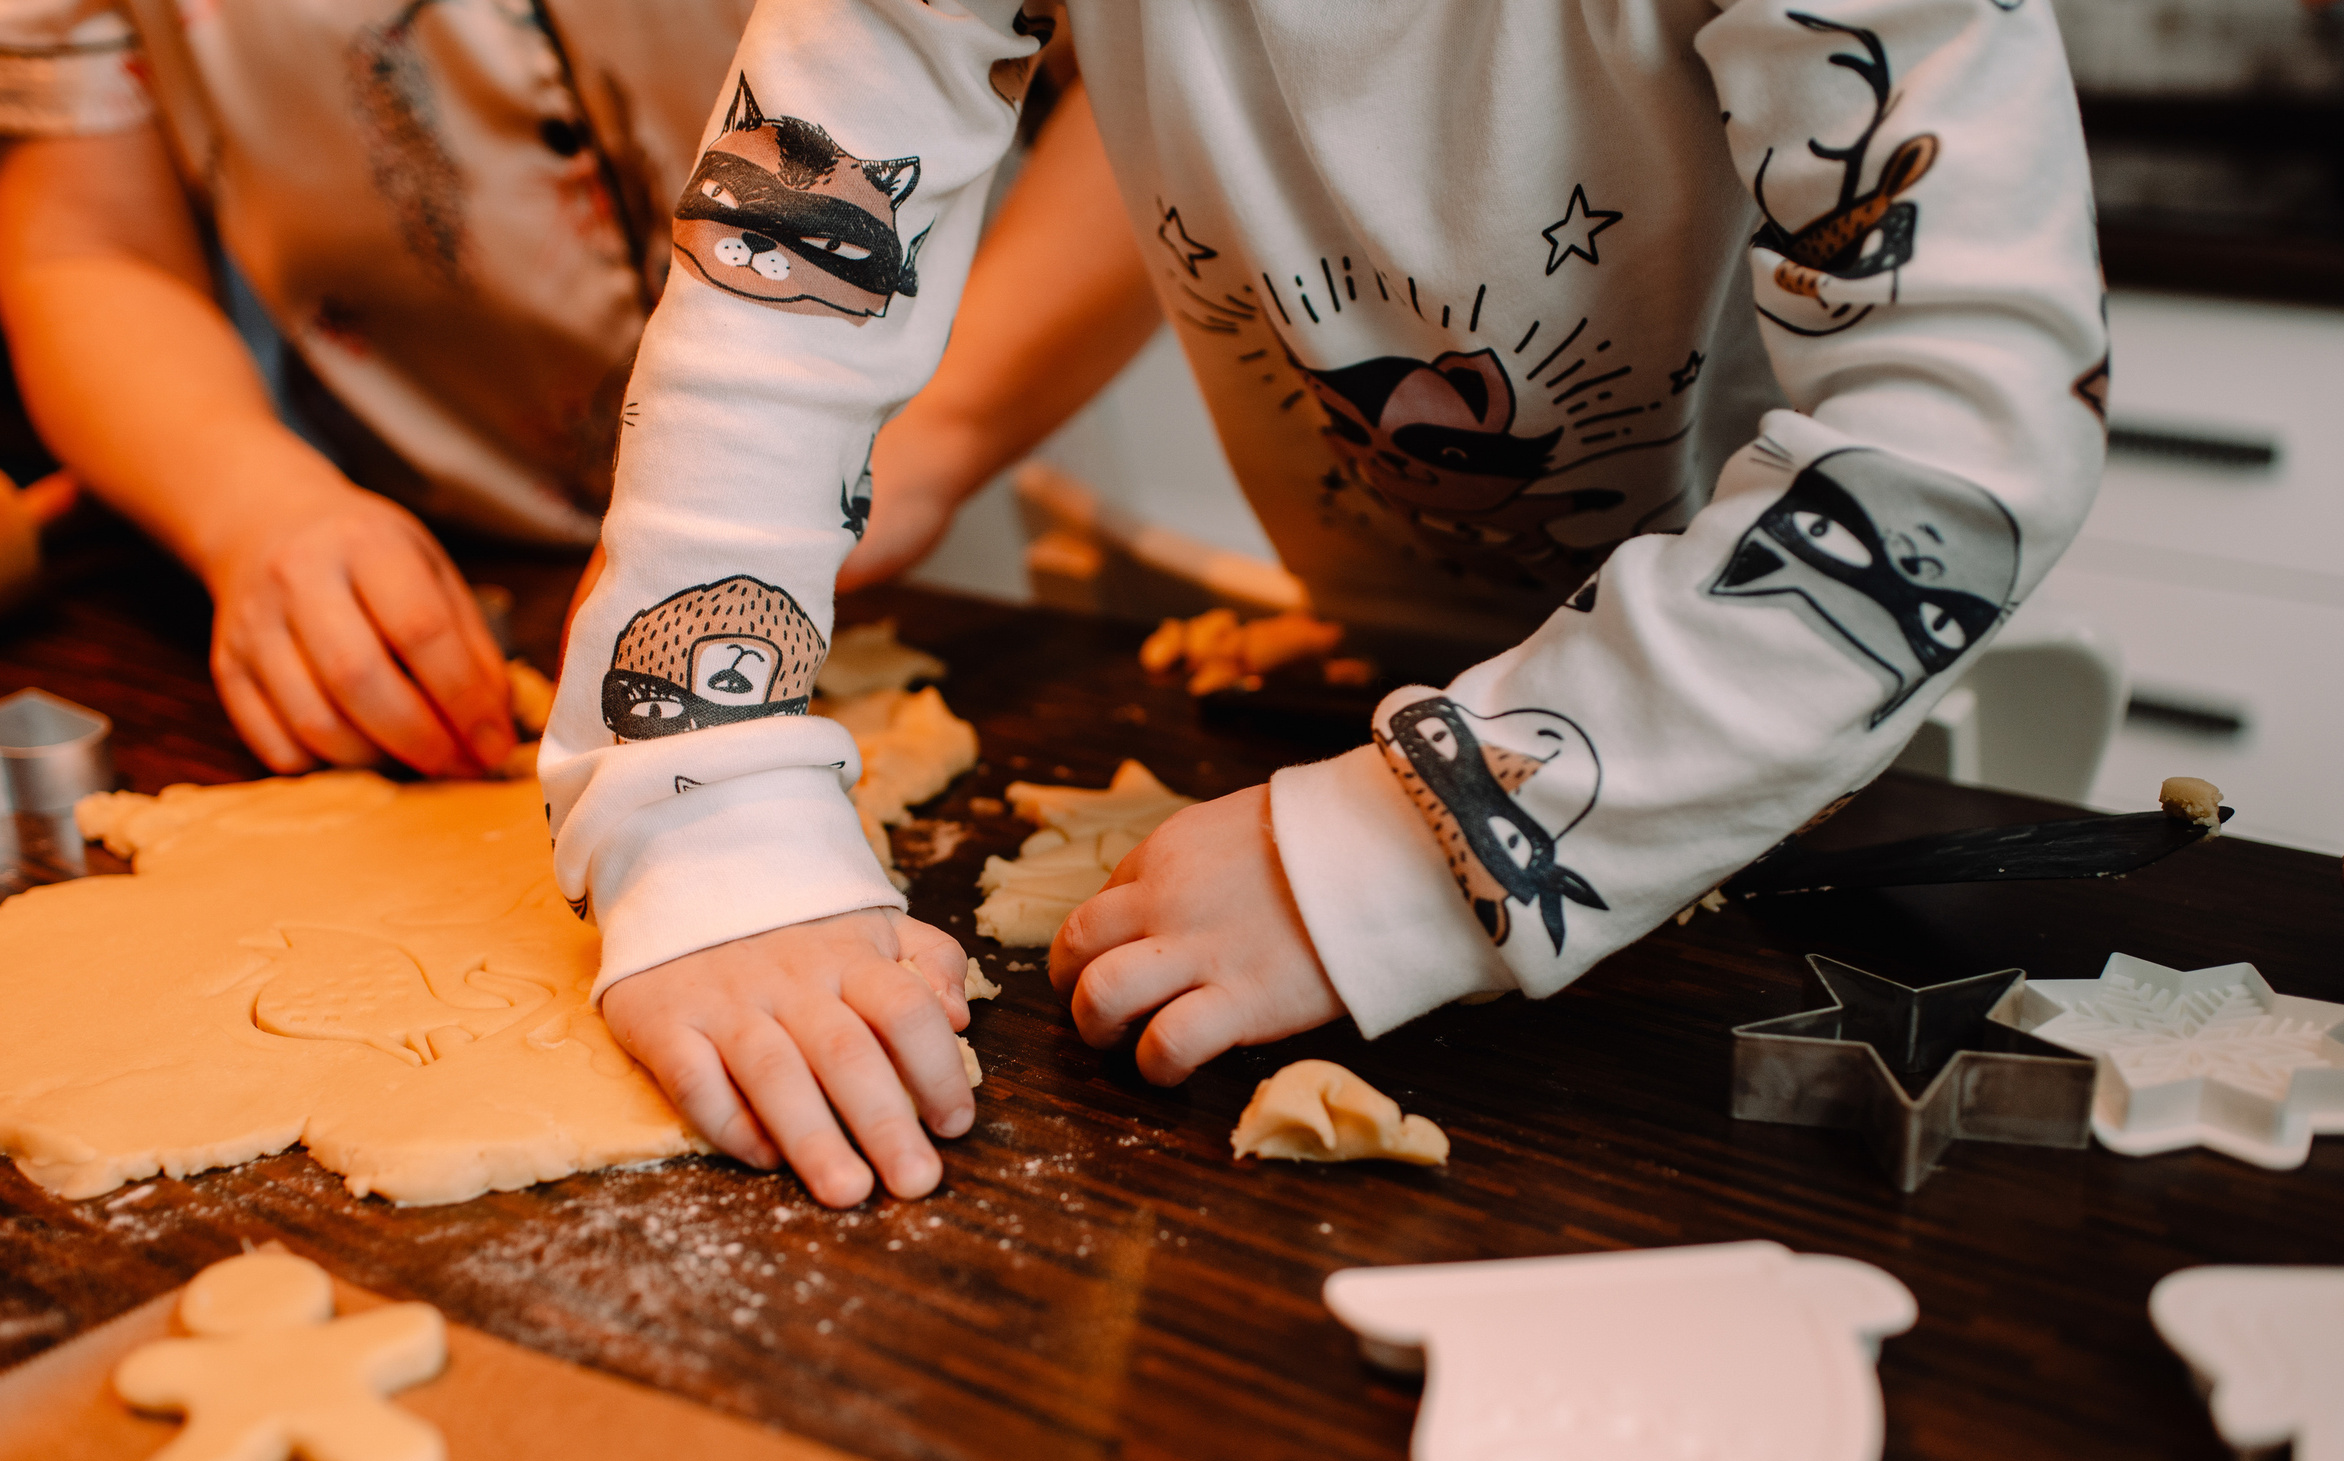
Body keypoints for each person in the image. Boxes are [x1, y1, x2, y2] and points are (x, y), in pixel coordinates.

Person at [543, 0, 2109, 1209]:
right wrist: (702, 796)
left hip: (1764, 766)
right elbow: (789, 236)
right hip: (1380, 673)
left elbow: (1952, 446)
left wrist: (1419, 841)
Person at [0, 0, 751, 777]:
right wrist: (257, 504)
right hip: (456, 556)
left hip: (874, 517)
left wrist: (811, 469)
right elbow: (90, 245)